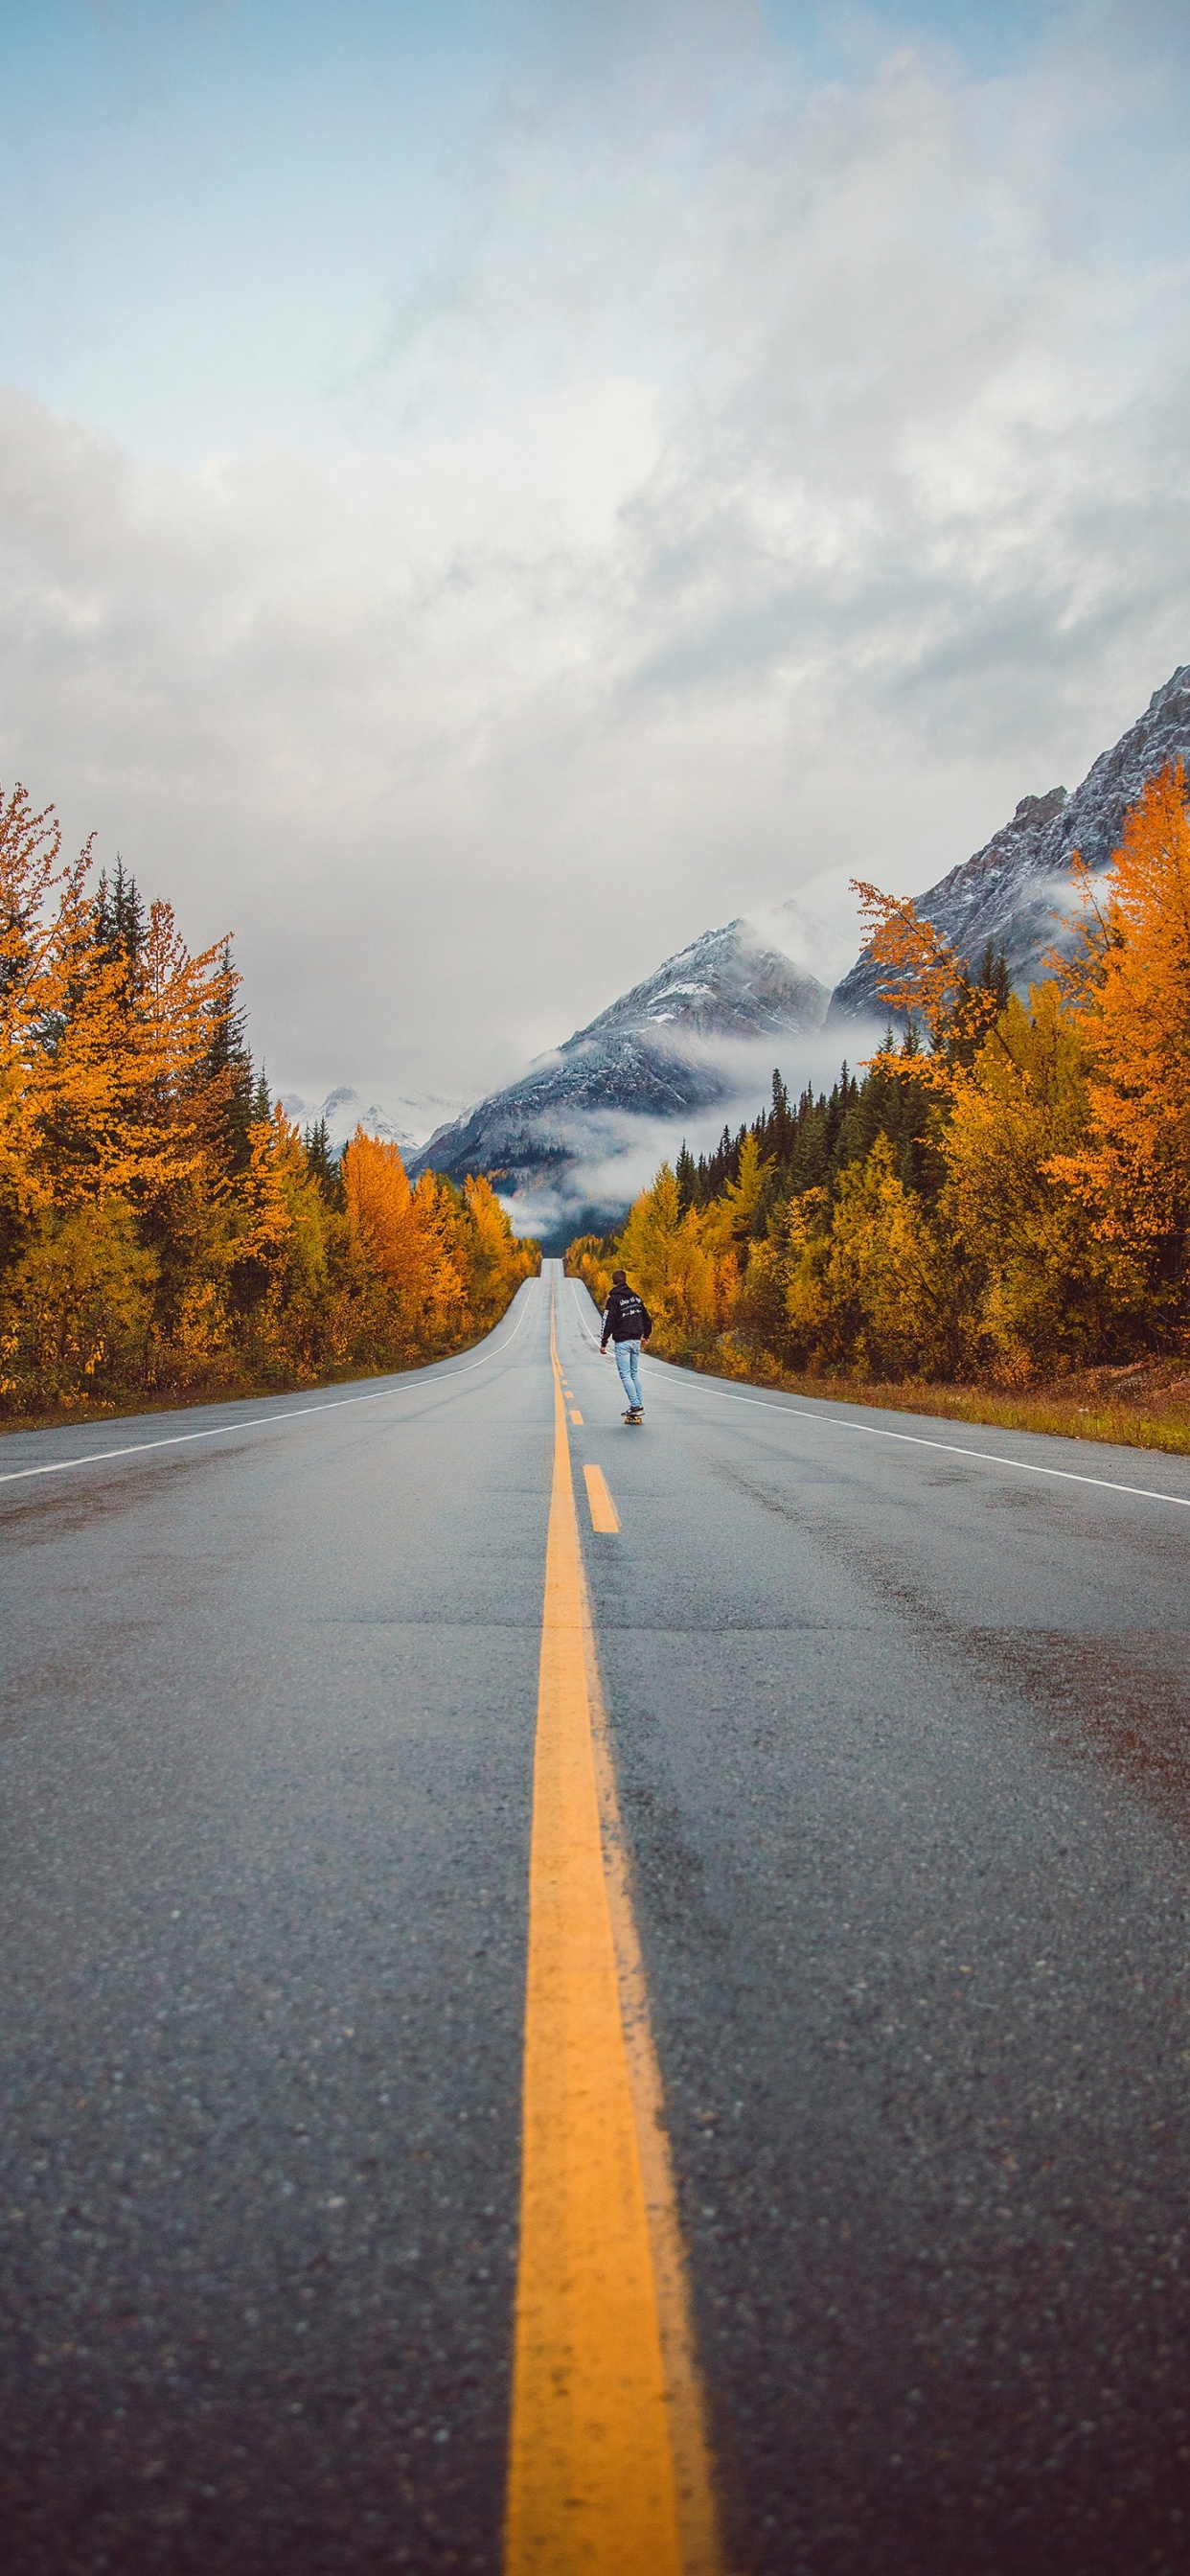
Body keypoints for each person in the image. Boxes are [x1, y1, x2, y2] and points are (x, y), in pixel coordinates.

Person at [600, 1268, 652, 1422]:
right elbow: (646, 1318)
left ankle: (635, 1405)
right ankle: (638, 1405)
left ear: (613, 1281)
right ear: (625, 1280)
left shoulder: (614, 1300)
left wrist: (603, 1342)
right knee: (634, 1373)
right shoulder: (636, 1298)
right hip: (636, 1340)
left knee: (625, 1374)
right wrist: (646, 1335)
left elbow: (608, 1321)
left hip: (622, 1341)